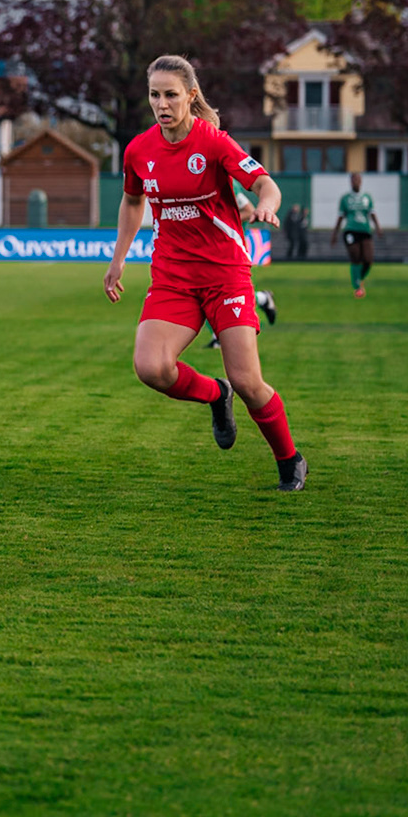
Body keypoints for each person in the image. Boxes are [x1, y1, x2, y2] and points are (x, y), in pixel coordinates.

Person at [103, 54, 307, 492]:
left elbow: (264, 183)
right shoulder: (139, 150)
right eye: (155, 95)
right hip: (173, 276)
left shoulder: (213, 143)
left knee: (249, 382)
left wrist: (267, 206)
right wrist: (118, 258)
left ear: (190, 96)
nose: (162, 103)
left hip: (225, 274)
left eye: (171, 94)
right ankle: (216, 396)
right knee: (151, 367)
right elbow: (133, 202)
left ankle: (289, 459)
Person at [205, 190, 277, 350]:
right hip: (209, 247)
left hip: (229, 248)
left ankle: (221, 337)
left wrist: (217, 222)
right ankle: (262, 298)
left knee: (225, 296)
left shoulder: (231, 183)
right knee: (206, 293)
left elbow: (249, 210)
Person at [332, 172, 382, 298]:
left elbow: (372, 213)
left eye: (358, 179)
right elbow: (340, 217)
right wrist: (334, 234)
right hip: (350, 230)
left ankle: (360, 278)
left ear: (361, 181)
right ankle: (357, 287)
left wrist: (378, 227)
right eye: (354, 179)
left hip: (365, 230)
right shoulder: (345, 198)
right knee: (355, 257)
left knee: (368, 260)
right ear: (350, 181)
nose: (356, 181)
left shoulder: (367, 197)